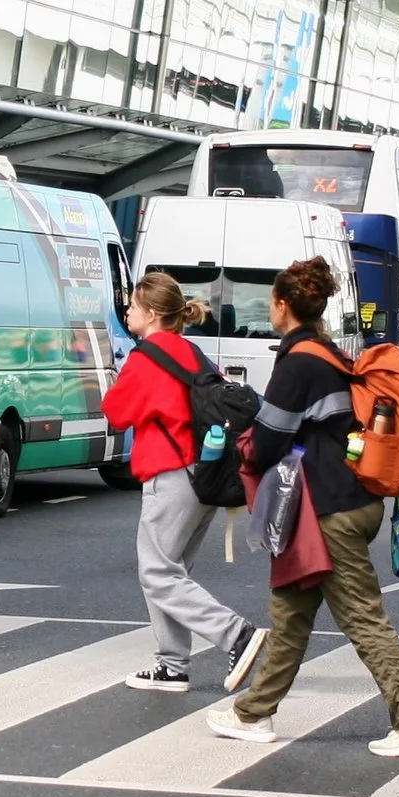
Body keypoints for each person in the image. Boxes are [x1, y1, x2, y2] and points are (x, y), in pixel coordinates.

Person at [213, 257, 399, 758]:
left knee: (363, 618)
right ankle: (252, 713)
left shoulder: (298, 361)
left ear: (282, 305)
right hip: (349, 500)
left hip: (327, 512)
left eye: (271, 302)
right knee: (292, 610)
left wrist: (240, 442)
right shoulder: (330, 354)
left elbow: (273, 437)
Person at [102, 271, 268, 694]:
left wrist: (115, 376)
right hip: (207, 470)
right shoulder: (192, 352)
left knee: (157, 572)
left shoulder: (146, 357)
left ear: (152, 314)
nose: (128, 312)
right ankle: (172, 665)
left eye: (134, 306)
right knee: (173, 569)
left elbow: (116, 413)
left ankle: (235, 634)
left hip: (169, 471)